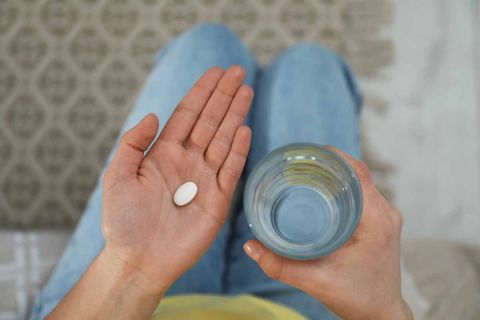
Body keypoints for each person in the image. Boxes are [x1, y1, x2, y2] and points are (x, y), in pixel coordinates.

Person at [30, 24, 413, 320]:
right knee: (312, 63)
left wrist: (132, 267)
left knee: (207, 44)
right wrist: (382, 310)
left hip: (121, 299)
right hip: (293, 313)